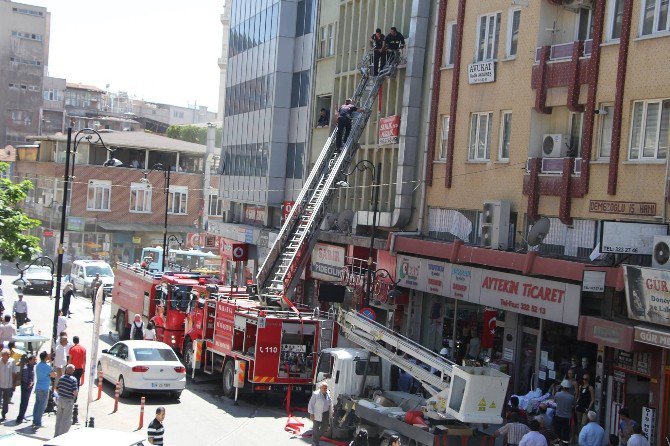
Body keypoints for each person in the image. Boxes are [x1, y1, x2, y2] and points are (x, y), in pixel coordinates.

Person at [54, 364, 78, 437]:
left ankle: (56, 434)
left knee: (59, 419)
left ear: (66, 370)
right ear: (73, 371)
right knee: (66, 420)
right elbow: (75, 392)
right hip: (68, 401)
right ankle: (61, 436)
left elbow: (57, 389)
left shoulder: (61, 378)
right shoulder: (73, 380)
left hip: (60, 399)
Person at [308, 382, 332, 446]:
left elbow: (330, 403)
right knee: (316, 427)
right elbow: (311, 404)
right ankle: (315, 442)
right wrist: (311, 414)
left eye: (326, 388)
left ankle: (316, 437)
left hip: (325, 413)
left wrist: (332, 410)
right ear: (320, 388)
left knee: (325, 426)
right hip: (317, 413)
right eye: (324, 388)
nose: (325, 389)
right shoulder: (315, 394)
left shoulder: (328, 393)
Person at [32, 351, 51, 429]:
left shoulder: (38, 365)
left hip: (38, 387)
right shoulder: (48, 367)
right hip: (44, 388)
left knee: (37, 404)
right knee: (42, 406)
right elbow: (54, 374)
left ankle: (35, 420)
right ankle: (38, 422)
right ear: (46, 357)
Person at [553, 379, 575, 446]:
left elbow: (554, 402)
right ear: (568, 388)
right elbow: (574, 405)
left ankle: (557, 444)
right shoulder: (571, 397)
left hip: (558, 416)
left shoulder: (557, 394)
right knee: (566, 434)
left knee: (557, 432)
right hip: (567, 418)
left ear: (562, 387)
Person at [16, 354, 36, 423]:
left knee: (25, 402)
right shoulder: (26, 368)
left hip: (28, 387)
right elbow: (25, 379)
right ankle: (20, 417)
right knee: (24, 402)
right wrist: (30, 384)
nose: (35, 361)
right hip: (26, 388)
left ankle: (22, 415)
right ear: (29, 360)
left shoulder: (31, 367)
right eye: (33, 359)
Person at [0, 349, 17, 422]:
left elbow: (14, 373)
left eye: (7, 355)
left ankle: (4, 414)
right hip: (0, 384)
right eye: (4, 355)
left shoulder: (12, 361)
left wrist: (14, 384)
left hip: (8, 384)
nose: (5, 357)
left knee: (6, 401)